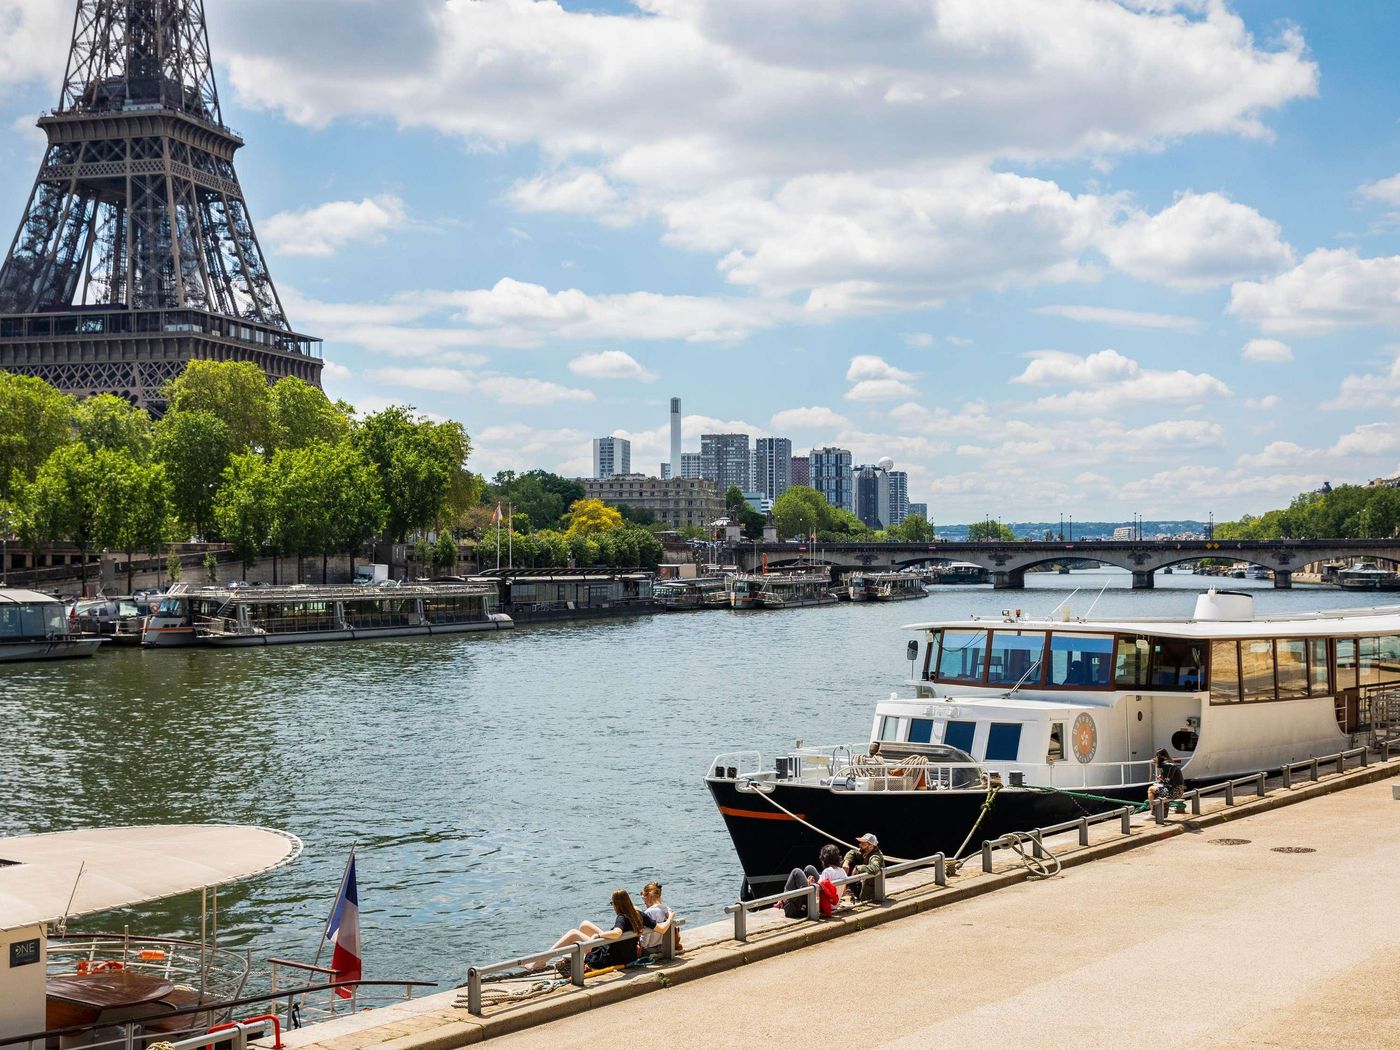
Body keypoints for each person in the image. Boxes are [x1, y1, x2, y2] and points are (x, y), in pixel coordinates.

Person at [534, 889, 663, 972]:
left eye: (612, 904)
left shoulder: (622, 918)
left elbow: (617, 932)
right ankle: (582, 955)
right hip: (627, 952)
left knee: (573, 934)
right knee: (585, 925)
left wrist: (598, 935)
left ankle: (539, 962)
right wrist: (671, 918)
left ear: (617, 905)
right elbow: (661, 928)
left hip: (611, 956)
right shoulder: (638, 914)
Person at [778, 844, 844, 918]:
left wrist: (810, 885)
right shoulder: (842, 871)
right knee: (809, 868)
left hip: (820, 906)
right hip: (834, 903)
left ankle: (784, 901)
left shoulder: (827, 872)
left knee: (796, 871)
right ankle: (796, 901)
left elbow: (819, 891)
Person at [841, 833, 885, 902]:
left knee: (854, 866)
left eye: (863, 843)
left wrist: (859, 868)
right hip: (862, 884)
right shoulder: (865, 852)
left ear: (871, 846)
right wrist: (846, 862)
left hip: (867, 891)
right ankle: (845, 890)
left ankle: (851, 893)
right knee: (845, 863)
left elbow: (875, 868)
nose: (860, 845)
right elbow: (852, 852)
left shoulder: (876, 857)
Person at [639, 881, 680, 954]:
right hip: (665, 948)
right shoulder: (668, 910)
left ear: (649, 896)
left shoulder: (649, 912)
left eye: (644, 899)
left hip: (650, 950)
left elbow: (644, 942)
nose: (644, 902)